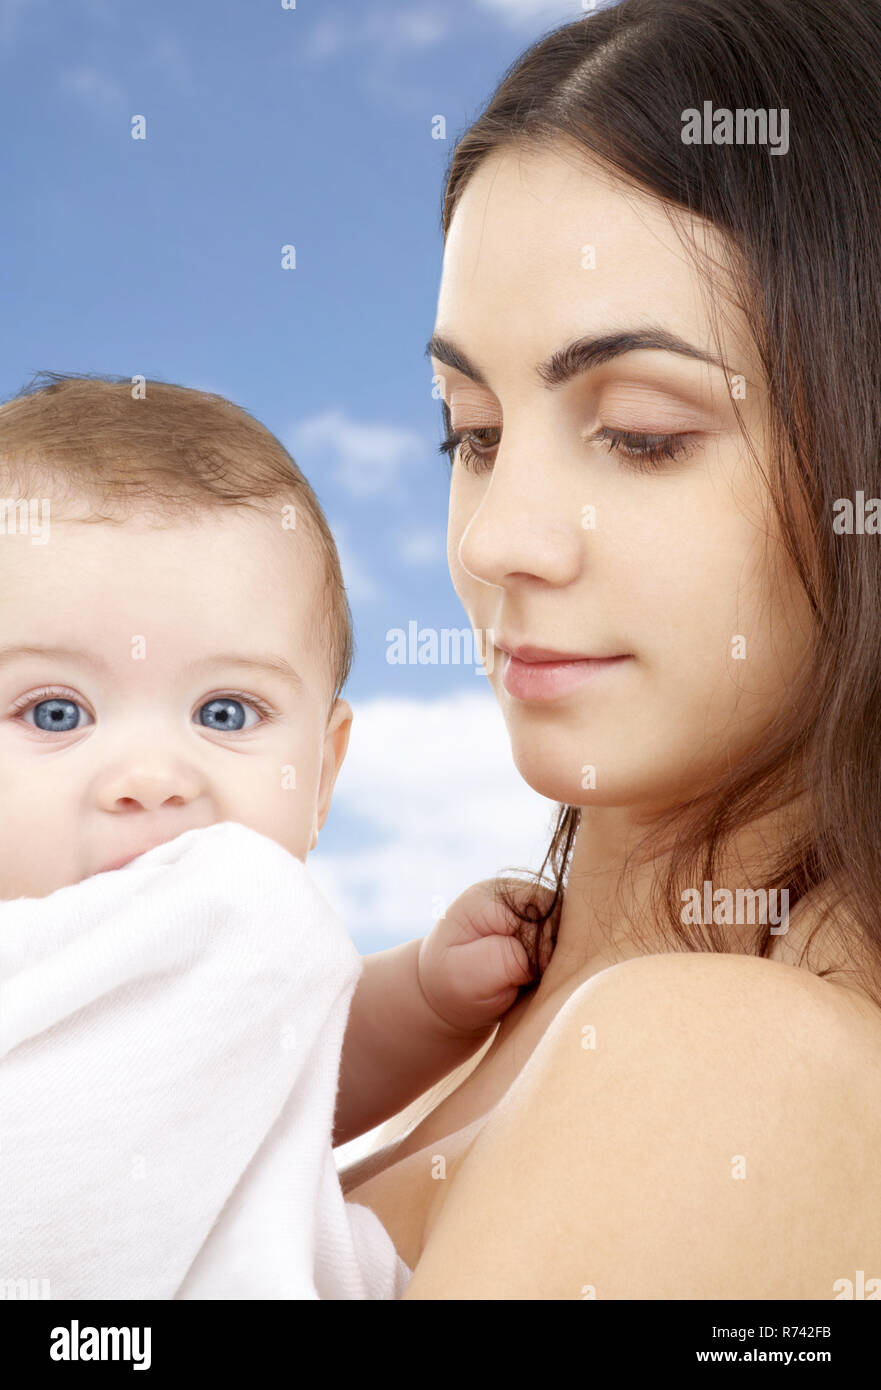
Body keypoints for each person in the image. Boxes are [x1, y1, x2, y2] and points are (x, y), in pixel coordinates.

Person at [340, 0, 881, 1299]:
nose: (497, 541)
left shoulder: (726, 1060)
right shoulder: (449, 1014)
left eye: (642, 432)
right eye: (470, 431)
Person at [0, 373, 545, 1299]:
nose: (150, 780)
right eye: (56, 713)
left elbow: (276, 1061)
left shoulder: (255, 925)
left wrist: (423, 997)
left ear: (321, 778)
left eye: (224, 711)